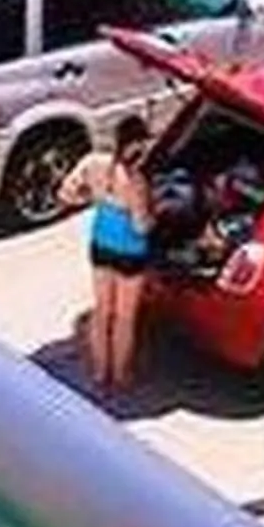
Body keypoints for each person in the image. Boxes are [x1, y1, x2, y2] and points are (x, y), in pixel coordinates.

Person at [60, 114, 156, 395]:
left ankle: (100, 374)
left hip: (101, 244)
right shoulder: (136, 181)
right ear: (137, 144)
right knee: (124, 319)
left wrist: (93, 198)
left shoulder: (93, 163)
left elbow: (66, 194)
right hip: (130, 253)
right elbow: (140, 226)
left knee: (102, 312)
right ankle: (121, 375)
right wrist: (154, 217)